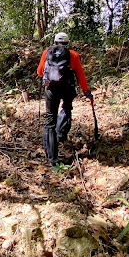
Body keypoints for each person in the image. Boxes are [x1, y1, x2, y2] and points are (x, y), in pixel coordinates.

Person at [37, 32, 93, 166]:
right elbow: (80, 75)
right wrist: (87, 92)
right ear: (68, 43)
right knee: (67, 108)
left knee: (50, 120)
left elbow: (39, 72)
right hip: (67, 88)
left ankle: (52, 158)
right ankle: (61, 135)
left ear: (55, 42)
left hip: (51, 88)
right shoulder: (73, 54)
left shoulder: (47, 52)